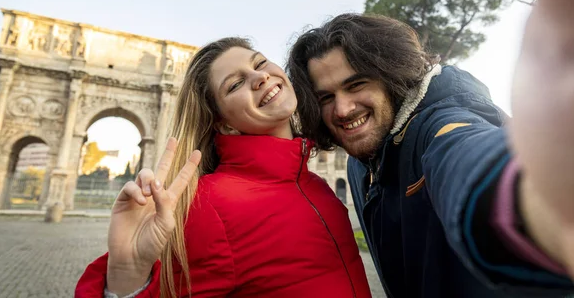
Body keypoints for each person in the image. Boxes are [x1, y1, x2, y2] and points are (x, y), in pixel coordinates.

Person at [285, 0, 574, 297]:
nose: (343, 108)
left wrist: (543, 202)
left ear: (389, 75)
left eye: (356, 85)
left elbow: (467, 159)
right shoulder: (360, 161)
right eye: (326, 96)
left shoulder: (437, 124)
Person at [75, 37, 371, 297]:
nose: (260, 77)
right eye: (235, 84)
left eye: (260, 63)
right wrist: (127, 274)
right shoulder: (206, 206)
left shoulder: (315, 186)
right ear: (224, 123)